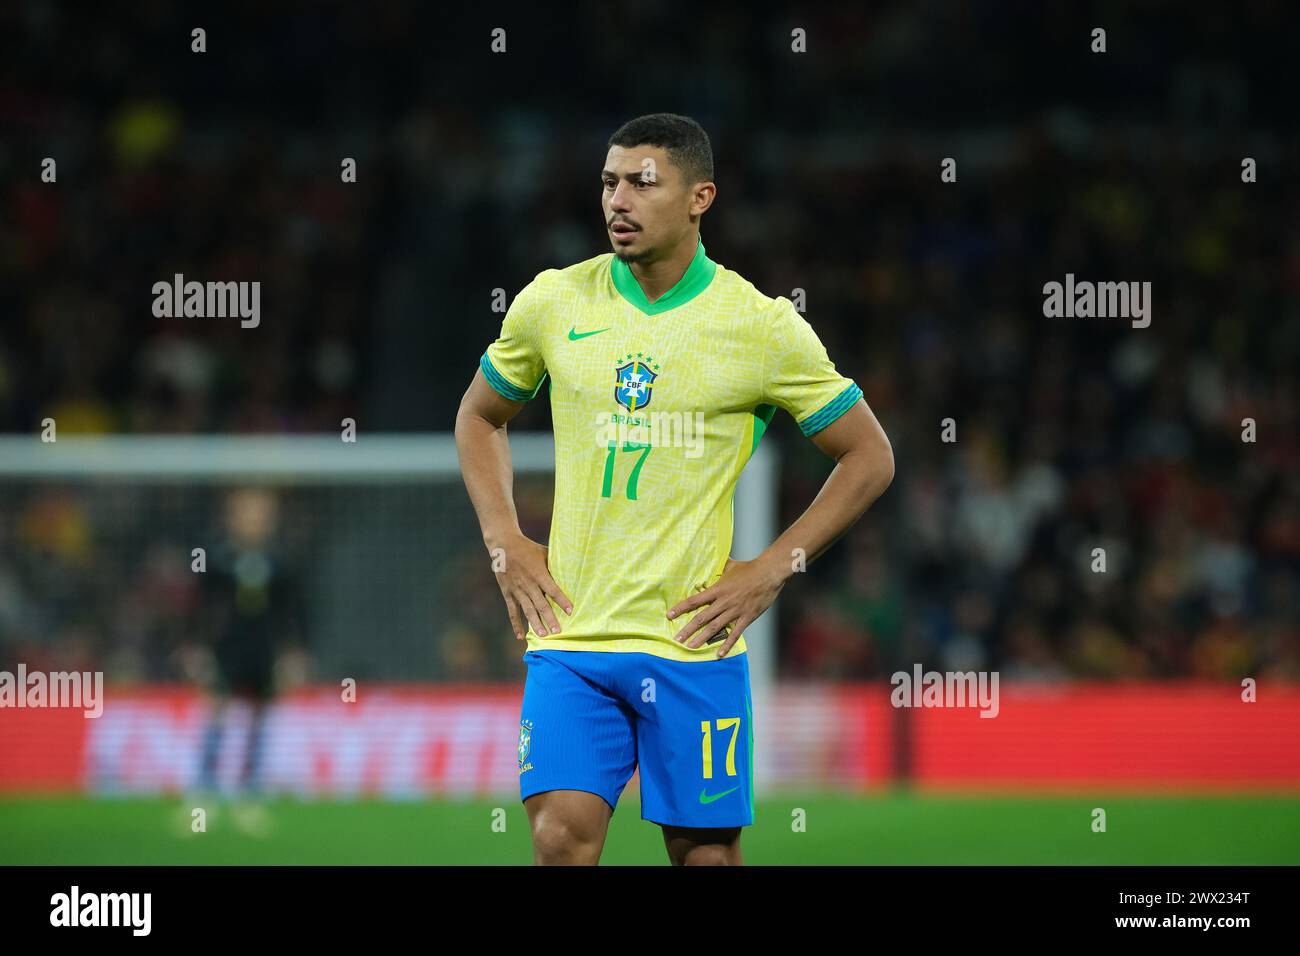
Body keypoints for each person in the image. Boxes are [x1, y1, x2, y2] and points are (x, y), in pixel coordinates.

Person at [455, 113, 894, 865]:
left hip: (691, 642)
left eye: (642, 183)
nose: (617, 201)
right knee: (560, 839)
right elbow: (479, 417)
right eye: (608, 182)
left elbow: (868, 456)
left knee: (707, 858)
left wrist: (771, 568)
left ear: (700, 198)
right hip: (572, 637)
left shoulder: (761, 327)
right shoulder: (554, 303)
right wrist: (505, 540)